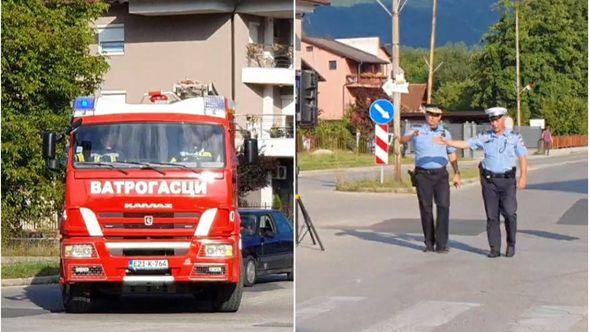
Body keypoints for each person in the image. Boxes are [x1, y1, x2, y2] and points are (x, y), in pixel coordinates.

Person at [434, 107, 528, 258]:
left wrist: (523, 177)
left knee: (510, 213)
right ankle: (494, 248)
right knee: (492, 216)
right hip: (489, 181)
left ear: (503, 119)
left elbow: (522, 157)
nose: (494, 123)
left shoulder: (514, 137)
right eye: (492, 120)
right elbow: (466, 144)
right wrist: (447, 142)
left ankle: (511, 243)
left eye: (497, 120)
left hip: (507, 181)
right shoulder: (485, 137)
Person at [400, 104, 461, 253]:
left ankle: (442, 243)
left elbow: (451, 154)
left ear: (440, 117)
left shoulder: (445, 133)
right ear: (425, 115)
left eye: (435, 115)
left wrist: (457, 173)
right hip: (423, 175)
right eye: (429, 114)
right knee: (426, 208)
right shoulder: (417, 130)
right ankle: (429, 242)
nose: (432, 118)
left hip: (440, 175)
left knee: (444, 207)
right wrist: (412, 135)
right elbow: (402, 139)